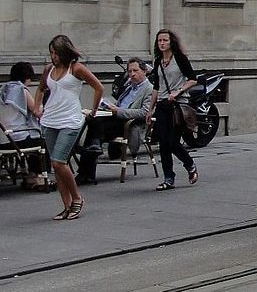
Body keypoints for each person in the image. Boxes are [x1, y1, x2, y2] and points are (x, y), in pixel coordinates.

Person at [32, 35, 103, 221]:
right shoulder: (49, 70)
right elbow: (40, 89)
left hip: (69, 120)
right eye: (51, 53)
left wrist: (93, 110)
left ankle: (77, 198)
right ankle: (67, 206)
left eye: (55, 53)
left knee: (58, 162)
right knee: (57, 167)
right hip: (49, 120)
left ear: (64, 52)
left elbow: (98, 87)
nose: (53, 57)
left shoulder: (76, 68)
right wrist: (37, 107)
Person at [76, 57, 154, 183]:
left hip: (128, 124)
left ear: (144, 71)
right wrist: (108, 107)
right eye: (129, 71)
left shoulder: (149, 89)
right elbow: (120, 103)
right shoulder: (129, 86)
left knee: (95, 127)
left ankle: (85, 172)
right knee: (93, 119)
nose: (132, 74)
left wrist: (118, 111)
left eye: (135, 70)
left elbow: (145, 112)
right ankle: (91, 158)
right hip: (115, 118)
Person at [151, 29, 200, 191]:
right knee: (163, 144)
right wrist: (150, 109)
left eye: (165, 40)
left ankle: (189, 164)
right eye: (159, 41)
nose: (162, 43)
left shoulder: (179, 58)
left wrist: (178, 91)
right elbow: (156, 87)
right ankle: (168, 178)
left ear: (171, 42)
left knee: (172, 141)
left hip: (177, 105)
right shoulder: (158, 61)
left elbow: (193, 79)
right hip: (162, 105)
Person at [1, 62, 45, 189]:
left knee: (31, 136)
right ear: (27, 77)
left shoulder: (3, 89)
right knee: (40, 139)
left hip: (3, 139)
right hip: (17, 138)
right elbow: (36, 111)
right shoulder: (21, 90)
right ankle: (38, 176)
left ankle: (30, 174)